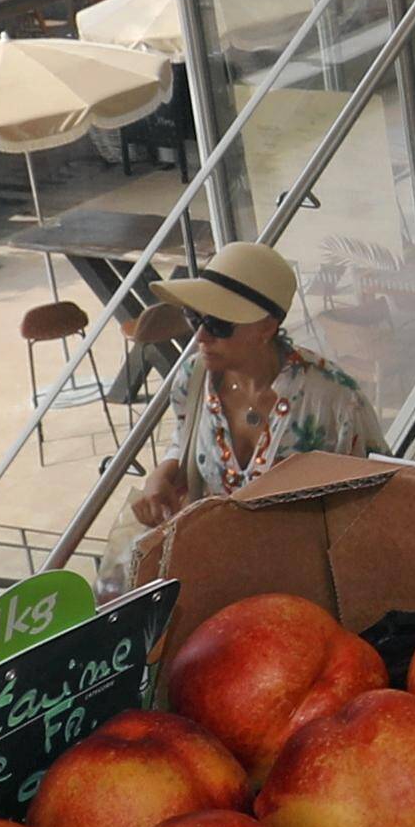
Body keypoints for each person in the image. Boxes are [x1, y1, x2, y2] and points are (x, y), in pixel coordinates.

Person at [118, 242, 382, 586]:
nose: (200, 336)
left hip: (306, 586)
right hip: (216, 575)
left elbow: (372, 501)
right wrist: (161, 474)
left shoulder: (335, 400)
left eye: (218, 324)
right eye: (194, 317)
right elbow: (183, 439)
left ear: (266, 327)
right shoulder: (193, 378)